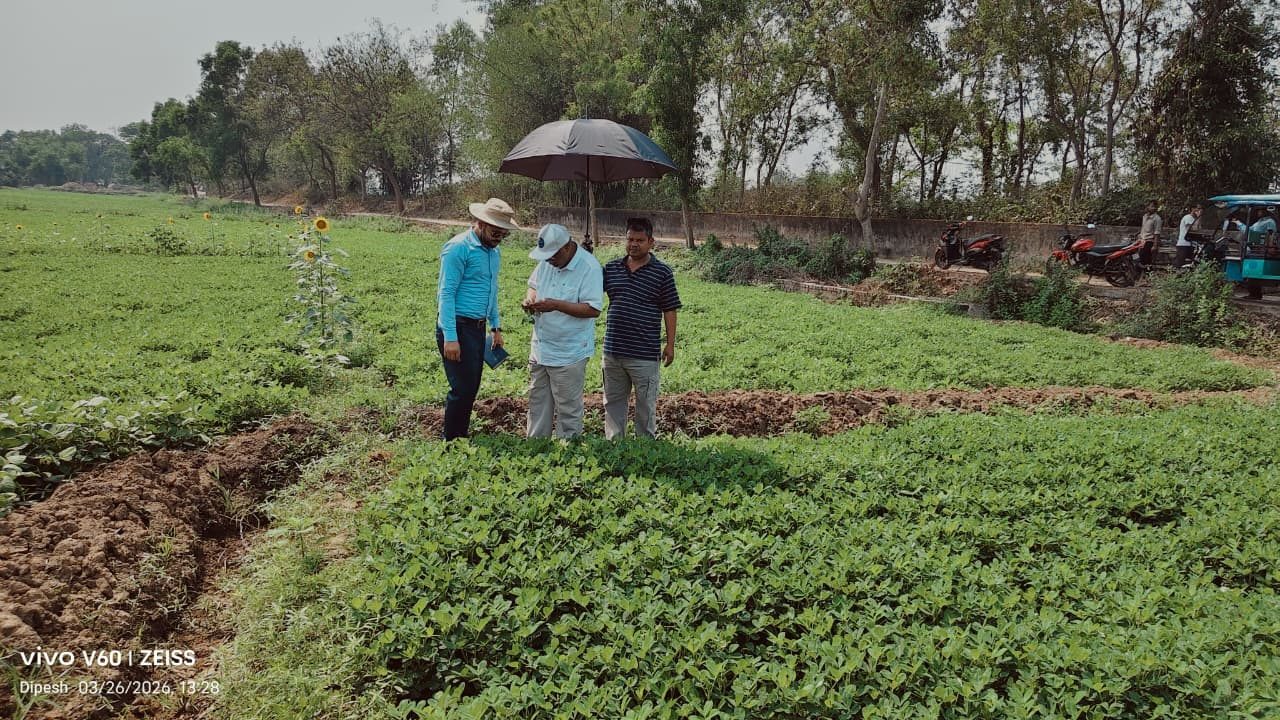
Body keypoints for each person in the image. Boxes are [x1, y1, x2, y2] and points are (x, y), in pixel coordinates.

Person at [436, 197, 520, 440]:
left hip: (477, 328)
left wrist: (496, 327)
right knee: (462, 389)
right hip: (457, 326)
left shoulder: (494, 253)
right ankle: (452, 441)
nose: (499, 238)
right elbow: (446, 294)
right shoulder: (458, 248)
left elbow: (491, 290)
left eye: (504, 234)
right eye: (495, 232)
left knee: (471, 386)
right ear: (480, 223)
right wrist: (450, 338)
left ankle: (460, 435)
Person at [601, 217, 681, 439]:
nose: (633, 244)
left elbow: (670, 309)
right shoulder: (611, 268)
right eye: (629, 239)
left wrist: (670, 344)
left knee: (646, 404)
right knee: (613, 402)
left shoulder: (662, 273)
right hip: (613, 350)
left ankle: (645, 446)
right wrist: (587, 259)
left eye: (639, 240)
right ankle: (614, 444)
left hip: (644, 353)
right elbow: (588, 292)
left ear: (651, 242)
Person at [522, 224, 603, 439]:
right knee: (538, 400)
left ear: (567, 247)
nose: (548, 260)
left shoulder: (589, 267)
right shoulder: (548, 261)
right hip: (540, 346)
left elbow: (593, 309)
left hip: (569, 352)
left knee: (568, 406)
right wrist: (530, 298)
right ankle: (536, 445)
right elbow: (533, 284)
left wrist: (556, 305)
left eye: (552, 256)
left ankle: (568, 448)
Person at [1174, 203, 1202, 268]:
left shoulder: (1196, 219)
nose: (1199, 210)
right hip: (1184, 243)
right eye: (1198, 208)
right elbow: (1193, 229)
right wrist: (1199, 217)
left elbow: (1199, 229)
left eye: (1200, 209)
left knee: (1195, 261)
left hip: (1192, 244)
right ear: (1193, 209)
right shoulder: (1188, 217)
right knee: (1180, 262)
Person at [1138, 201, 1162, 266]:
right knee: (1140, 259)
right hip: (1142, 241)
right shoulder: (1144, 216)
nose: (1153, 208)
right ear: (1147, 207)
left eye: (1155, 207)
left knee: (1147, 260)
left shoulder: (1157, 219)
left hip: (1150, 241)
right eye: (1152, 206)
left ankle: (1148, 273)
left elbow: (1157, 233)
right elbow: (1143, 228)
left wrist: (1155, 246)